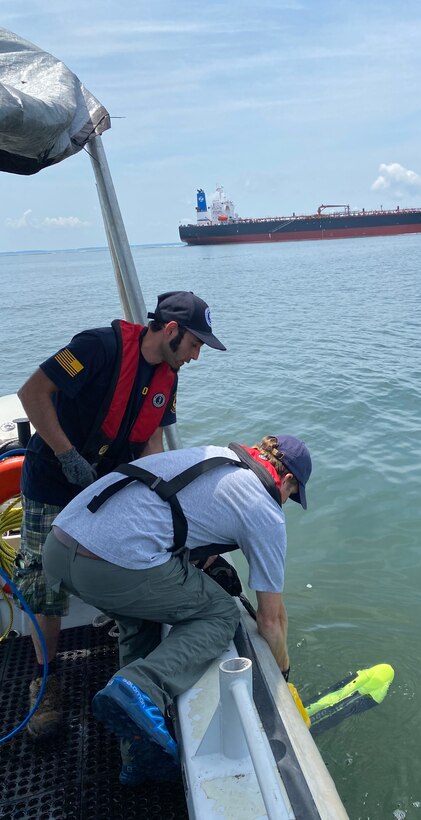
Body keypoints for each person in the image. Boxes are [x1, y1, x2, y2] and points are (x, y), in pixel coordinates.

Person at [13, 290, 226, 739]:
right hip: (52, 482)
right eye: (194, 344)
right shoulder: (93, 348)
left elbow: (151, 445)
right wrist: (67, 454)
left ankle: (125, 669)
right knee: (43, 588)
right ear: (170, 330)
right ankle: (46, 683)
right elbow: (32, 392)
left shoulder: (168, 377)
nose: (196, 356)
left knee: (131, 566)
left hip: (105, 489)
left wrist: (159, 503)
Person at [41, 434, 312, 785]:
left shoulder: (217, 458)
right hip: (110, 564)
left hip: (60, 548)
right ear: (288, 480)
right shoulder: (264, 508)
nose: (286, 502)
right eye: (292, 496)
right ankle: (141, 685)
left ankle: (137, 756)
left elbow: (176, 509)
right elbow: (270, 619)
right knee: (221, 614)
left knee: (141, 624)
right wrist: (283, 674)